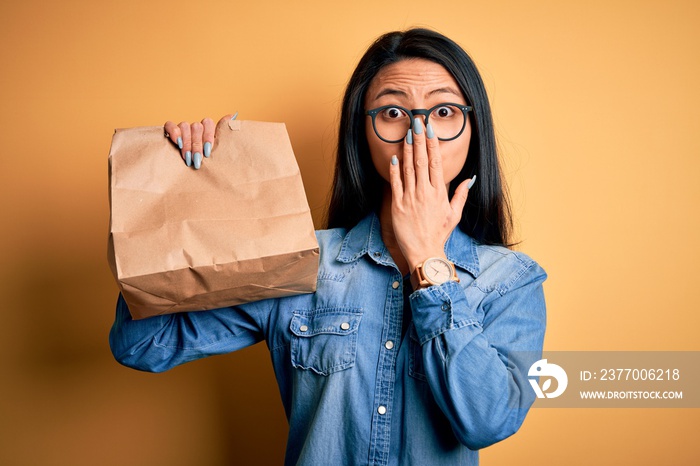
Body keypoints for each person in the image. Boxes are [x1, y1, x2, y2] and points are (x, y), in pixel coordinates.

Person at [110, 28, 547, 465]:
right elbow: (144, 345)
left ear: (473, 130)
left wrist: (428, 259)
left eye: (445, 111)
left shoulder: (510, 280)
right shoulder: (298, 259)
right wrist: (187, 189)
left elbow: (489, 420)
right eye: (393, 111)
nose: (420, 133)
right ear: (362, 133)